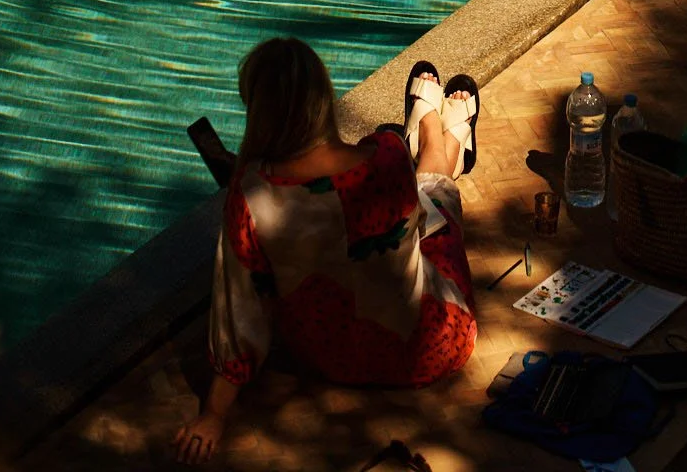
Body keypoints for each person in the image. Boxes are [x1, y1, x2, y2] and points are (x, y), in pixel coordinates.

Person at [174, 40, 481, 463]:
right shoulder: (387, 157)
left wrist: (213, 414)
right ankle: (439, 134)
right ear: (324, 99)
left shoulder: (250, 196)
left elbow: (239, 308)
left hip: (330, 359)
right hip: (431, 348)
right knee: (434, 198)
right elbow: (416, 228)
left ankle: (441, 135)